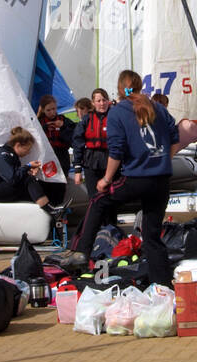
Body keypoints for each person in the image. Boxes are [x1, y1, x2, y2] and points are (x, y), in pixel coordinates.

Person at [70, 70, 180, 284]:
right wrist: (163, 159)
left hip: (136, 179)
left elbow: (116, 151)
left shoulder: (118, 112)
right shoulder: (156, 107)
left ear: (119, 89)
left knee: (98, 200)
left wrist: (106, 180)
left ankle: (82, 252)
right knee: (151, 237)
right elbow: (175, 137)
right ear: (139, 86)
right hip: (161, 180)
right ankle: (164, 287)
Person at [0, 127, 57, 214]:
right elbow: (12, 179)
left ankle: (49, 207)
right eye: (27, 149)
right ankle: (48, 209)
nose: (28, 152)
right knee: (28, 180)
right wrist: (28, 166)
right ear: (18, 145)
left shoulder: (9, 153)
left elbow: (14, 175)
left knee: (39, 184)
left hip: (0, 187)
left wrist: (28, 170)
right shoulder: (1, 154)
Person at [72, 88, 117, 226]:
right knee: (94, 198)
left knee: (111, 197)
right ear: (93, 103)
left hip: (111, 161)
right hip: (91, 162)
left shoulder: (115, 117)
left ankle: (111, 228)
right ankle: (95, 229)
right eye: (99, 101)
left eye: (104, 100)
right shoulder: (87, 120)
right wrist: (78, 170)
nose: (102, 103)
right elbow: (78, 143)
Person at [36, 95, 75, 176]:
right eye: (48, 110)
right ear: (43, 110)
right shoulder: (39, 122)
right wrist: (45, 127)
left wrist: (63, 126)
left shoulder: (63, 120)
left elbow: (74, 134)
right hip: (46, 156)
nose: (52, 112)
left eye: (53, 109)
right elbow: (33, 135)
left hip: (62, 156)